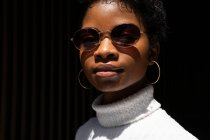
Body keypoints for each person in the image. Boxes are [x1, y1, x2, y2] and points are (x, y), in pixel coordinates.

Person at [71, 0, 199, 139]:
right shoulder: (84, 133)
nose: (104, 50)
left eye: (125, 36)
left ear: (152, 52)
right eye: (89, 39)